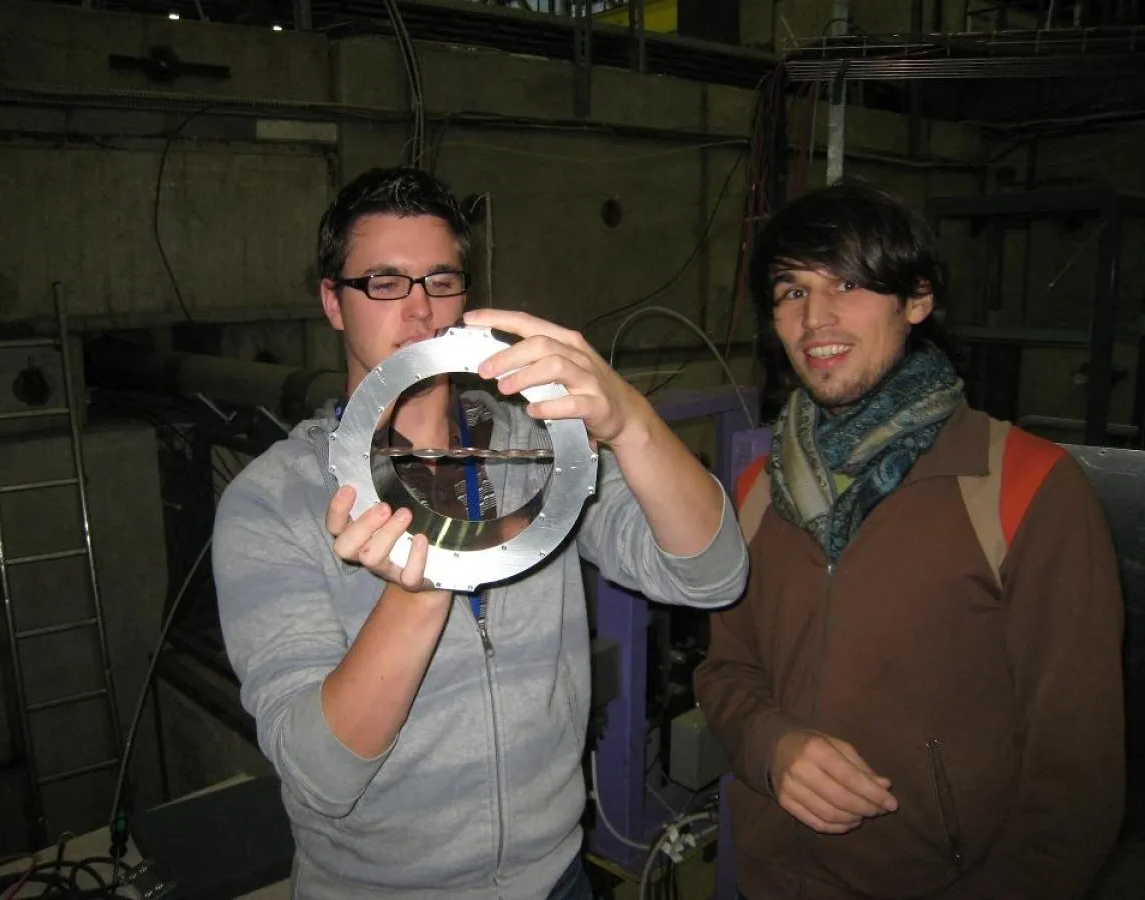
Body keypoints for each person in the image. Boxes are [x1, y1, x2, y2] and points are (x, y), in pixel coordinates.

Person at [212, 166, 748, 899]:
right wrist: (418, 593)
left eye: (441, 281)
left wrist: (628, 420)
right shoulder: (271, 502)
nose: (420, 310)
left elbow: (712, 574)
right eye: (385, 282)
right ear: (334, 303)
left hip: (554, 877)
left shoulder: (540, 450)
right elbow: (319, 775)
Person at [694, 181, 1125, 900]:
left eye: (851, 284)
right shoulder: (759, 491)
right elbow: (725, 670)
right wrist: (773, 746)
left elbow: (1075, 774)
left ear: (917, 300)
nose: (816, 318)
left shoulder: (1025, 487)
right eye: (791, 291)